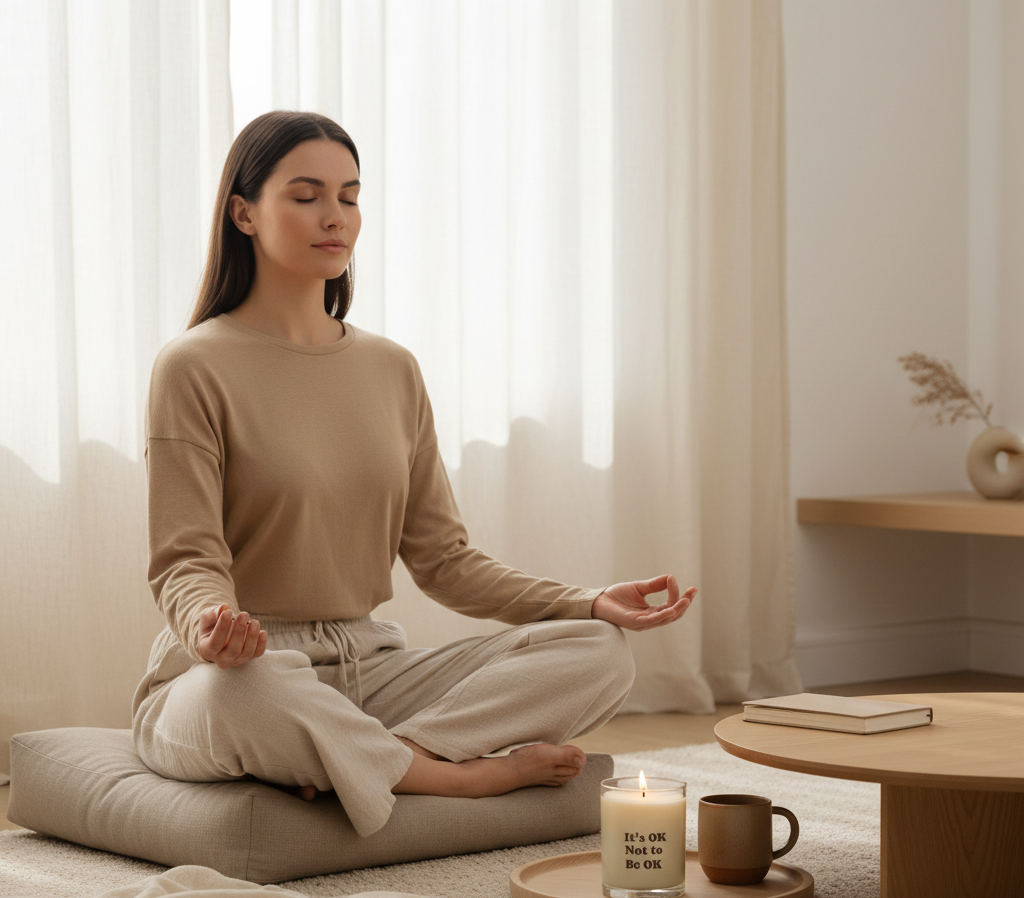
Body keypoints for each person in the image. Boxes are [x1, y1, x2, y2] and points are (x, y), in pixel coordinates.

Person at [132, 110, 697, 838]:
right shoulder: (193, 365)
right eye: (306, 196)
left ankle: (376, 756)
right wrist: (211, 628)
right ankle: (454, 775)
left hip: (372, 670)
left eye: (350, 195)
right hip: (246, 671)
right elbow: (185, 559)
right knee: (243, 694)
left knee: (597, 653)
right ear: (244, 212)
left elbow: (445, 562)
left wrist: (586, 602)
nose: (335, 216)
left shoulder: (392, 369)